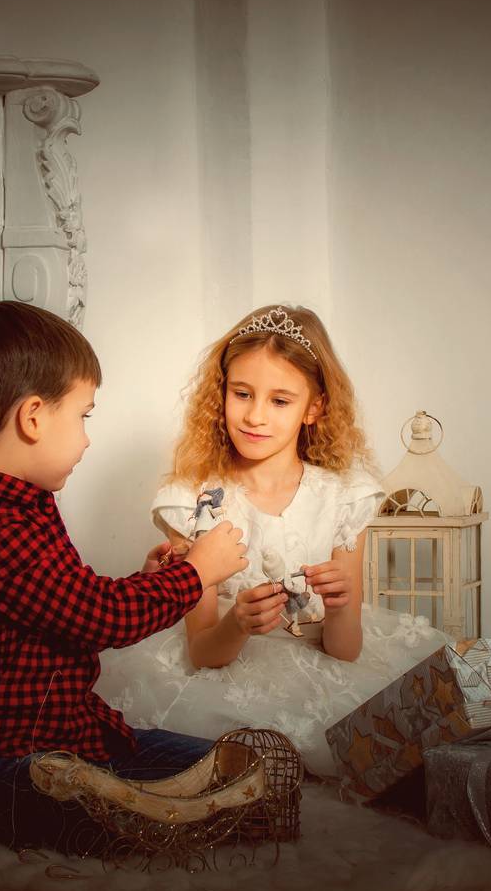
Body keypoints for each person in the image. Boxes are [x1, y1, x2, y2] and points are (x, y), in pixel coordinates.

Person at [0, 300, 248, 851]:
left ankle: (122, 794)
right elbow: (101, 617)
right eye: (83, 416)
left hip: (78, 738)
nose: (87, 439)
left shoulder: (25, 507)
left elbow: (71, 604)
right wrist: (195, 573)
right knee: (102, 825)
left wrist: (148, 578)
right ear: (34, 417)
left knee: (227, 773)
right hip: (9, 760)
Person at [94, 305, 450, 776]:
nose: (255, 416)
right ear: (221, 392)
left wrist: (341, 604)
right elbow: (203, 652)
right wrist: (238, 622)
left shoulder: (344, 497)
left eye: (280, 401)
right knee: (241, 763)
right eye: (242, 393)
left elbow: (345, 651)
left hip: (321, 672)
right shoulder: (195, 502)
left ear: (315, 407)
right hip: (224, 675)